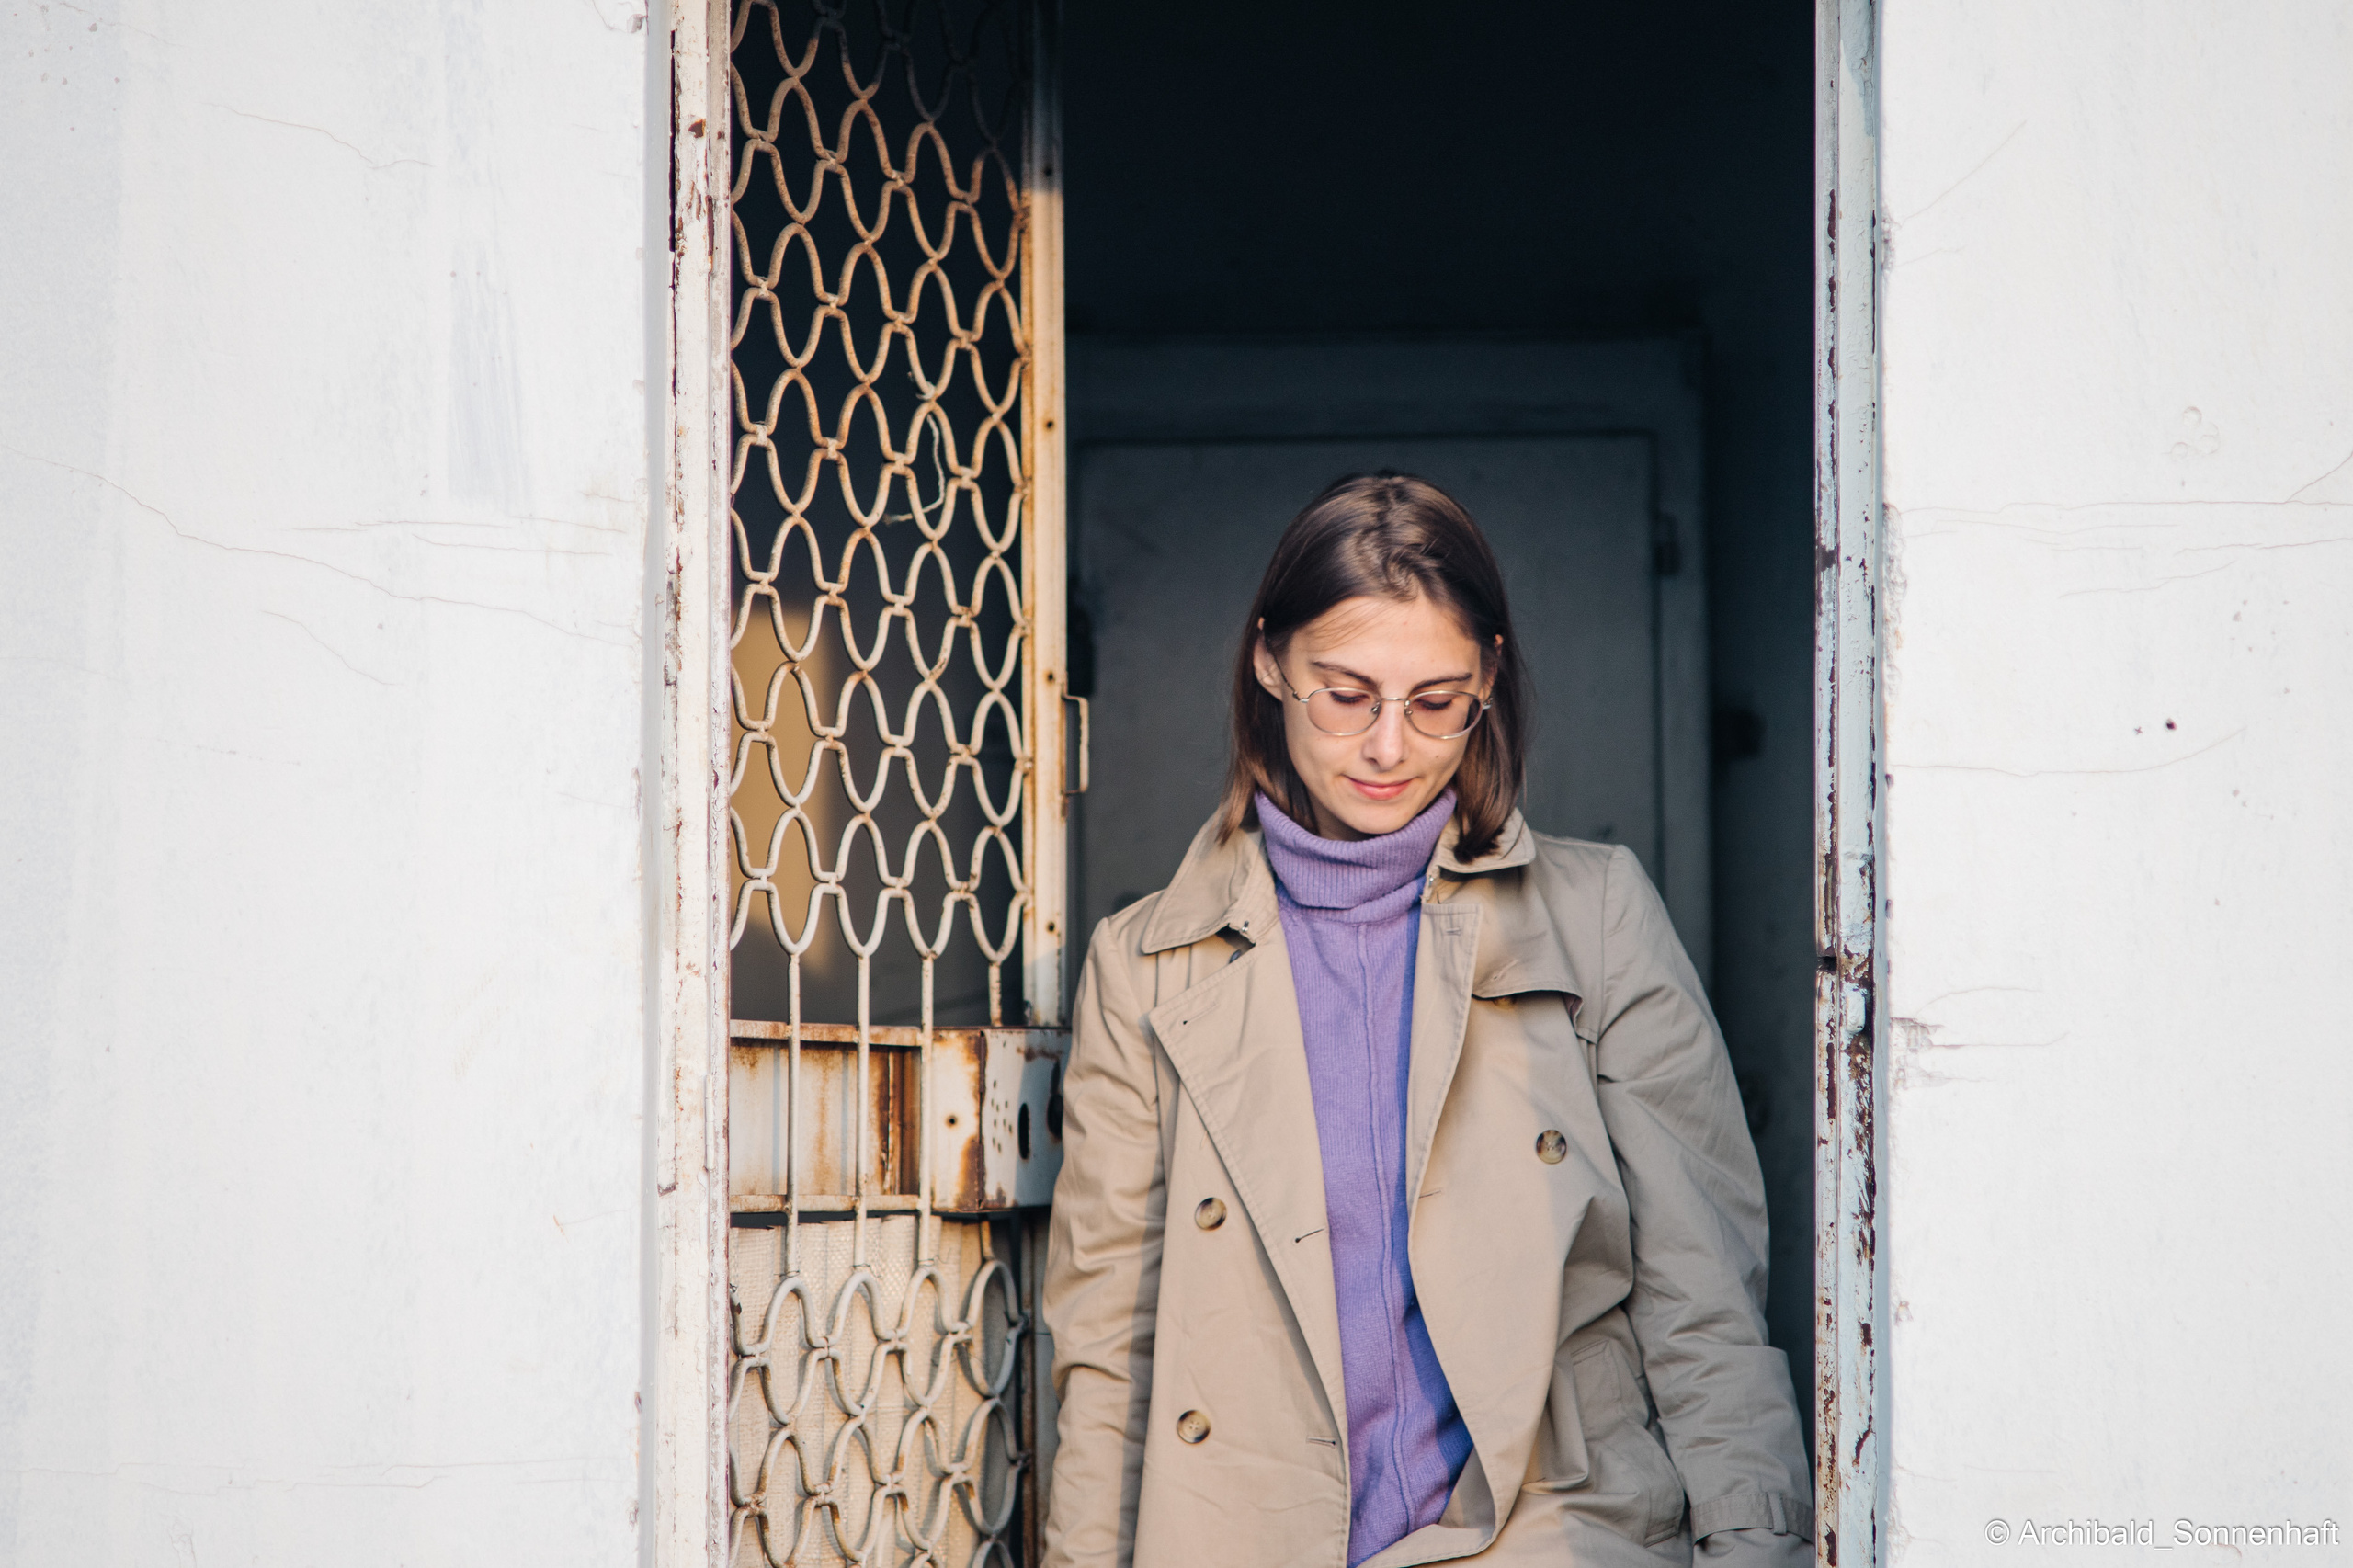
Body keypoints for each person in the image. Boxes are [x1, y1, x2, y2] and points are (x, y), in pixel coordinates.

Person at [1040, 473, 1813, 1568]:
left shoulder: (1595, 916)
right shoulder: (1142, 967)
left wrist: (1755, 1542)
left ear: (1489, 677)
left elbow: (1703, 1295)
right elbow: (1108, 1342)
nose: (1389, 747)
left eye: (1437, 699)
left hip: (1552, 1532)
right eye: (1345, 693)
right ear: (1267, 661)